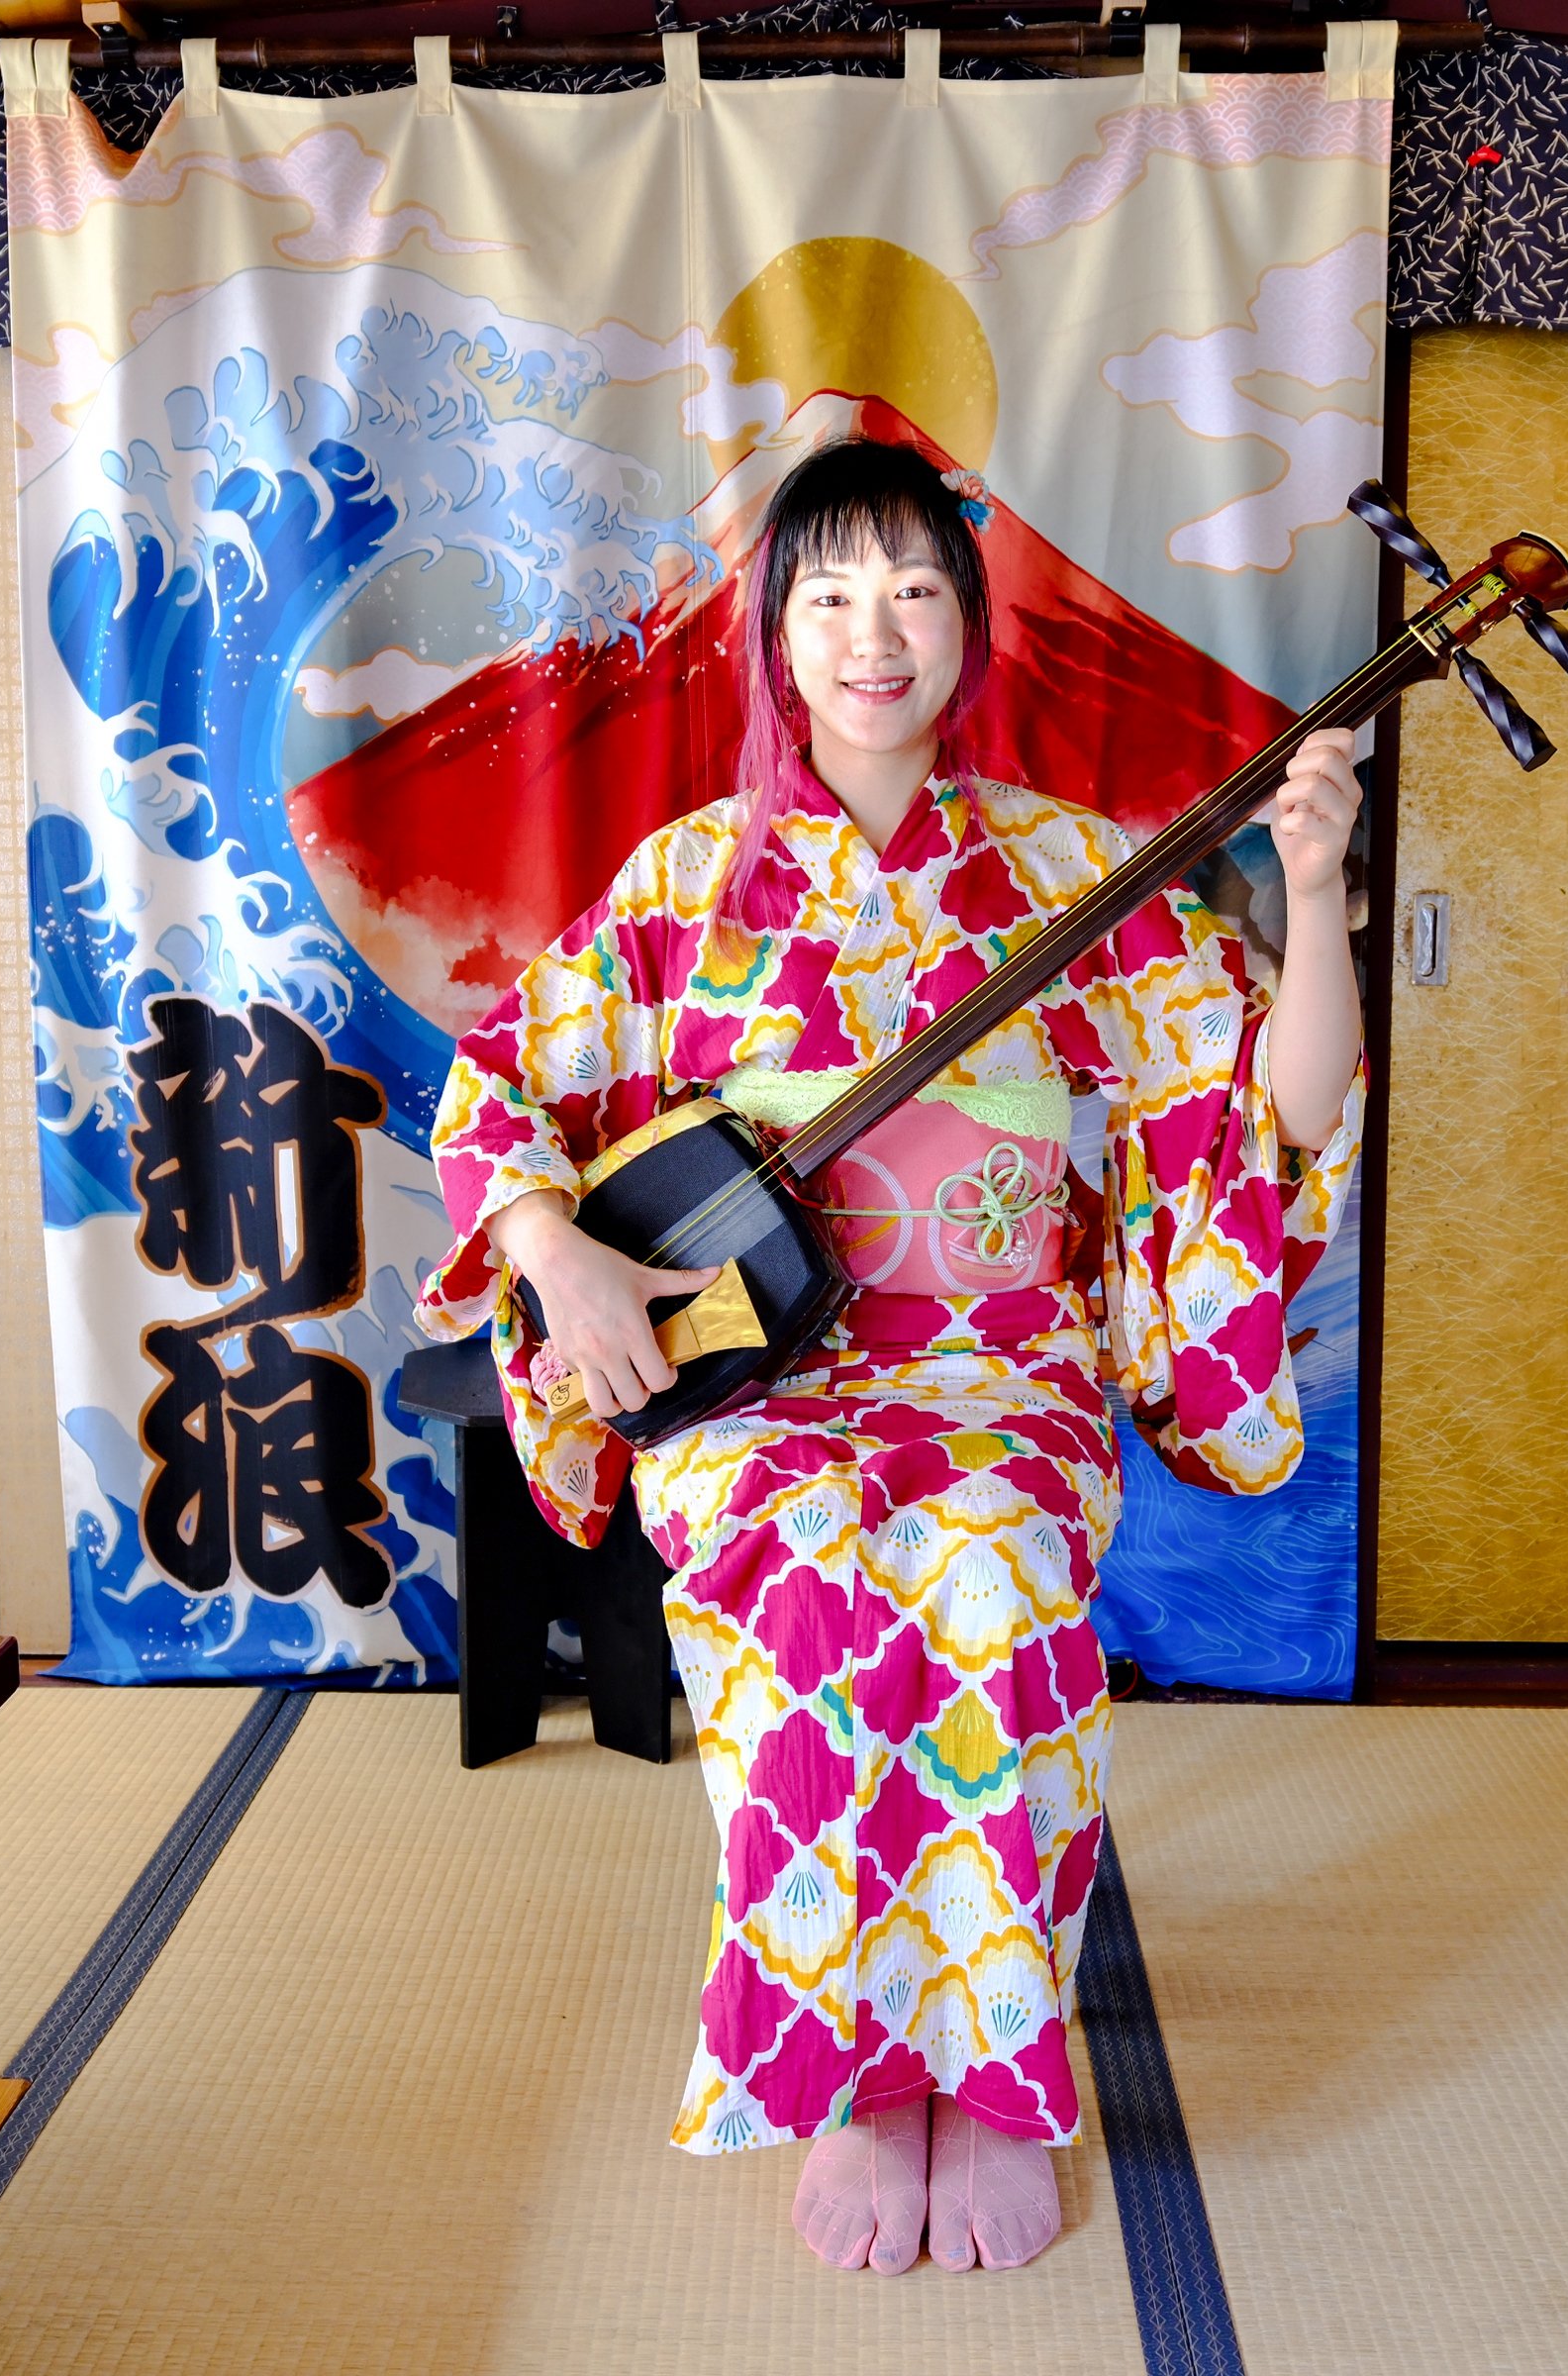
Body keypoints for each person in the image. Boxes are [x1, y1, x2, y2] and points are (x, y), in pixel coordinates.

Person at [414, 437, 1364, 2275]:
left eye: (916, 589)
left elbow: (1270, 1114)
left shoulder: (1070, 872)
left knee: (993, 1576)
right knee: (811, 1596)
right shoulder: (693, 877)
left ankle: (994, 2075)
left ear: (968, 623)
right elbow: (502, 1088)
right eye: (832, 593)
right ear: (779, 630)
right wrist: (560, 1255)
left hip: (1001, 1365)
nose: (876, 633)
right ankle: (855, 2077)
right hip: (768, 1376)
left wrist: (1310, 898)